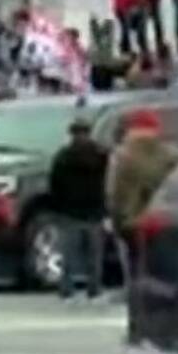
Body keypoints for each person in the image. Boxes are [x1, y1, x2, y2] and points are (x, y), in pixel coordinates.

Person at [106, 109, 178, 344]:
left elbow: (114, 194)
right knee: (166, 278)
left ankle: (138, 329)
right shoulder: (171, 156)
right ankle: (168, 329)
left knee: (136, 279)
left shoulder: (122, 156)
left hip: (131, 224)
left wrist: (118, 220)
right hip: (162, 222)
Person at [47, 118, 110, 301]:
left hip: (70, 212)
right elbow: (107, 183)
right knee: (95, 255)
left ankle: (67, 288)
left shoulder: (63, 157)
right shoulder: (101, 156)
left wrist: (58, 207)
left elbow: (55, 186)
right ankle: (94, 288)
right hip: (94, 212)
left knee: (69, 255)